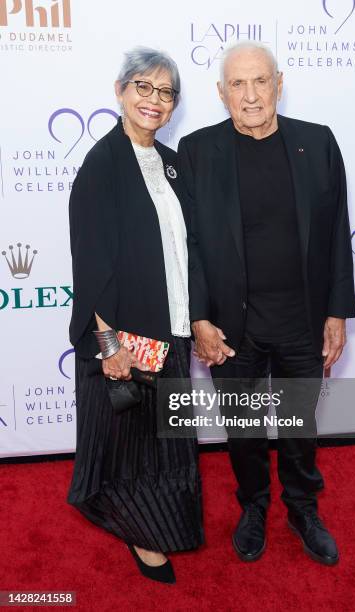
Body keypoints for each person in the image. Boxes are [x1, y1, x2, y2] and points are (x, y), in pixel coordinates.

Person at [178, 41, 355, 566]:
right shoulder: (197, 151)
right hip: (233, 331)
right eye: (238, 84)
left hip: (303, 322)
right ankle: (253, 506)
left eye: (260, 81)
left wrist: (337, 312)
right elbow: (185, 243)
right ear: (220, 93)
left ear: (279, 83)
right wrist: (199, 317)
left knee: (301, 427)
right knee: (245, 431)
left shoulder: (317, 143)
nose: (250, 95)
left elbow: (337, 234)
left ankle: (302, 508)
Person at [67, 46, 204, 584]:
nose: (154, 100)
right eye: (143, 87)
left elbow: (185, 248)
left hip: (171, 327)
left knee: (166, 438)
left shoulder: (171, 162)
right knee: (129, 446)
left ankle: (159, 523)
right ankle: (140, 532)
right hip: (125, 338)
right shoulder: (103, 164)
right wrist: (109, 346)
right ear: (121, 91)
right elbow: (92, 261)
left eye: (166, 92)